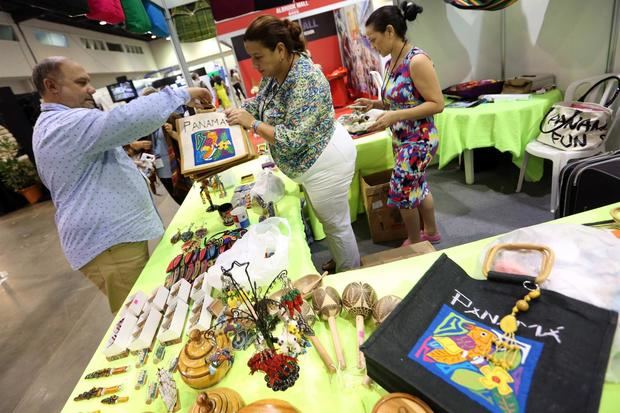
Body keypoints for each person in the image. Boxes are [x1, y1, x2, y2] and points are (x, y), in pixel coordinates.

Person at [32, 56, 212, 312]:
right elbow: (124, 120)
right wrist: (181, 94)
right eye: (81, 82)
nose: (91, 89)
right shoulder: (64, 125)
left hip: (114, 240)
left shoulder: (60, 124)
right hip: (110, 244)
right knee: (142, 317)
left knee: (151, 306)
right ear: (52, 86)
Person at [226, 15, 360, 273]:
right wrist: (239, 112)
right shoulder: (274, 72)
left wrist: (252, 123)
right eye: (250, 57)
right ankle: (342, 260)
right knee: (329, 221)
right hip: (312, 165)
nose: (253, 64)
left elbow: (292, 138)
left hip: (325, 162)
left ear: (280, 49)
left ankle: (351, 272)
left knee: (336, 224)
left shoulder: (305, 79)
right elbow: (259, 104)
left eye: (258, 57)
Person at [356, 2, 444, 246]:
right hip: (402, 139)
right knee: (418, 185)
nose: (372, 46)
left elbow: (437, 103)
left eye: (374, 39)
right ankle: (432, 232)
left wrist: (395, 116)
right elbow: (398, 101)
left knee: (402, 193)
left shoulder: (417, 60)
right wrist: (374, 104)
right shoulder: (390, 62)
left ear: (390, 31)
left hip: (420, 140)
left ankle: (415, 243)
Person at [139, 87, 188, 205]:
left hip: (179, 168)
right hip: (161, 170)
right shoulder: (145, 124)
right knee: (179, 201)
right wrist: (138, 144)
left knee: (189, 197)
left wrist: (172, 133)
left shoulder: (172, 117)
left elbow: (187, 141)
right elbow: (136, 145)